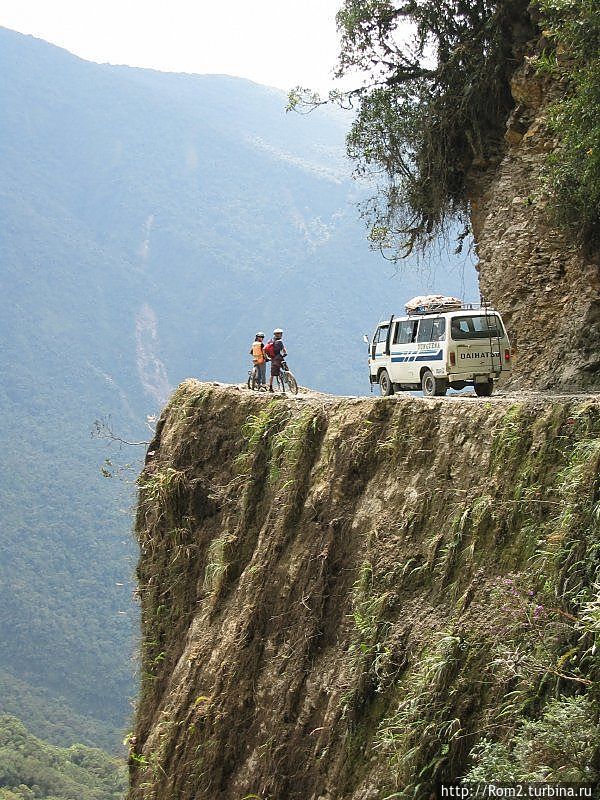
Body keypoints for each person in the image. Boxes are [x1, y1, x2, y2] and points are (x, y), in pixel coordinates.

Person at [268, 328, 287, 392]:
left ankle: (270, 387)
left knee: (272, 374)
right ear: (279, 335)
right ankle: (288, 378)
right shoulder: (280, 342)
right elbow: (283, 349)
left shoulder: (271, 341)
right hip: (279, 358)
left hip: (273, 359)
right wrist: (285, 353)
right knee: (286, 368)